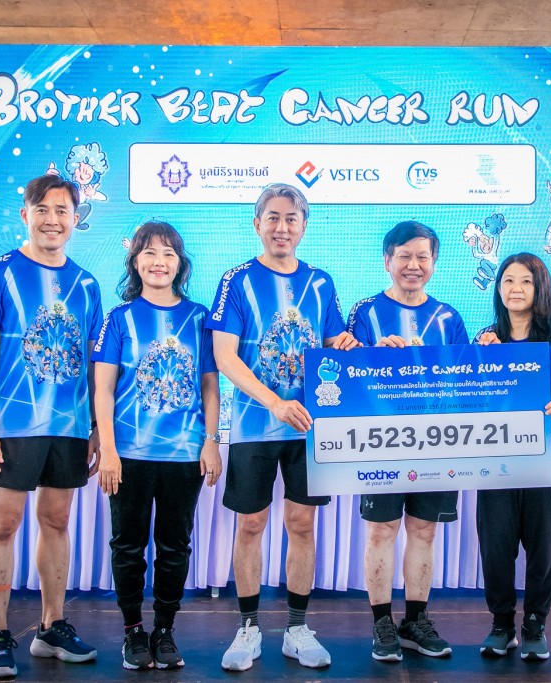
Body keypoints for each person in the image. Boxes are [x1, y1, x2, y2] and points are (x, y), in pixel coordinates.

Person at [207, 183, 358, 672]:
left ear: (304, 227)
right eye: (272, 217)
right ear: (257, 224)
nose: (282, 227)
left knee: (302, 524)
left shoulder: (321, 282)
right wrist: (274, 402)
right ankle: (248, 628)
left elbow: (333, 342)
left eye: (291, 218)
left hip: (309, 430)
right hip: (254, 427)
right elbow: (225, 357)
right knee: (251, 524)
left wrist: (353, 347)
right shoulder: (236, 280)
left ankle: (297, 628)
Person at [0, 174, 103, 679]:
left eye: (62, 210)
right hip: (11, 423)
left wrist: (96, 427)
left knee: (57, 521)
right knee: (4, 524)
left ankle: (52, 626)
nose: (52, 219)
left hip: (69, 426)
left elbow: (95, 365)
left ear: (75, 219)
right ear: (25, 215)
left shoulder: (87, 284)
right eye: (42, 209)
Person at [93, 221, 222, 671]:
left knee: (174, 547)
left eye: (168, 253)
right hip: (128, 455)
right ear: (134, 262)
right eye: (149, 252)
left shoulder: (200, 318)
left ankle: (165, 630)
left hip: (184, 455)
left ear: (180, 263)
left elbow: (210, 386)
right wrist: (108, 450)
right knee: (127, 546)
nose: (159, 262)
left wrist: (211, 442)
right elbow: (103, 389)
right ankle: (133, 631)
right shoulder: (119, 318)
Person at [346, 221, 468, 662]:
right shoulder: (365, 312)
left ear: (434, 263)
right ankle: (381, 622)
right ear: (387, 261)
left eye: (422, 257)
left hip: (436, 443)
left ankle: (415, 620)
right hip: (380, 441)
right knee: (381, 530)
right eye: (404, 256)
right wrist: (373, 355)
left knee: (423, 530)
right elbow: (346, 375)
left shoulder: (450, 318)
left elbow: (465, 380)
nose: (413, 265)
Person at [475, 253, 551, 662]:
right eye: (507, 281)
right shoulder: (486, 338)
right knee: (496, 548)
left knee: (544, 551)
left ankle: (535, 624)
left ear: (540, 289)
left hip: (547, 462)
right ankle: (502, 624)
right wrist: (481, 358)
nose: (515, 288)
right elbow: (470, 394)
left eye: (525, 281)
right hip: (495, 462)